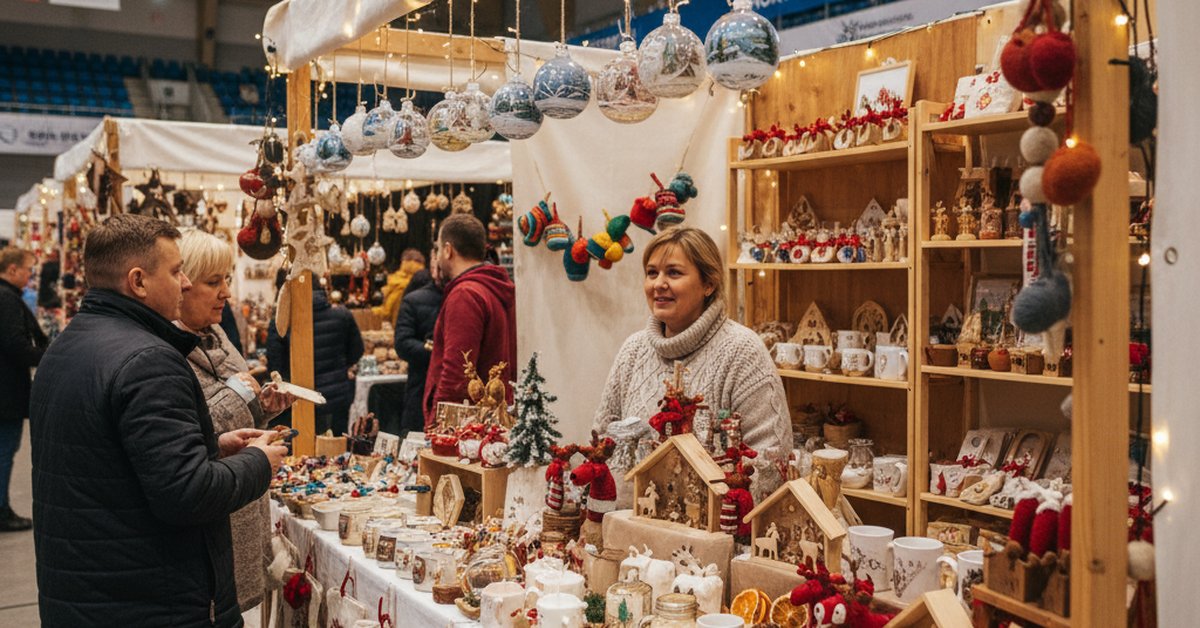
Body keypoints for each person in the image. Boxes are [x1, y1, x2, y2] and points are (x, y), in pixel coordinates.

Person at [29, 214, 288, 627]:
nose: (185, 283)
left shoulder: (67, 346)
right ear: (138, 281)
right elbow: (188, 494)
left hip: (89, 593)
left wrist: (211, 447)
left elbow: (110, 460)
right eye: (176, 271)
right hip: (152, 600)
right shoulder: (148, 360)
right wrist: (259, 461)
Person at [592, 226, 791, 507]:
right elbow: (603, 438)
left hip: (716, 531)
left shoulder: (742, 351)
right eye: (652, 273)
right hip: (632, 528)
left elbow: (772, 460)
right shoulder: (633, 350)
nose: (658, 284)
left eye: (673, 273)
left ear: (708, 284)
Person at [176, 230, 295, 614]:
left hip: (242, 502)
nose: (226, 292)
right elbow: (187, 431)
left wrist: (264, 407)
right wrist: (240, 395)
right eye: (214, 282)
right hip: (212, 514)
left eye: (226, 279)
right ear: (181, 284)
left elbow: (231, 410)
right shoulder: (164, 353)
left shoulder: (216, 336)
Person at [424, 214, 516, 427]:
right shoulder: (494, 288)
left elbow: (458, 371)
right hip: (490, 417)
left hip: (468, 424)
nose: (438, 257)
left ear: (448, 250)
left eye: (438, 250)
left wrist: (437, 427)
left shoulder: (465, 294)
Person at [267, 279, 365, 436]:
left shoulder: (282, 322)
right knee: (336, 447)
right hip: (335, 395)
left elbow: (274, 364)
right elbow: (357, 351)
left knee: (300, 452)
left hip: (298, 398)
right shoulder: (342, 315)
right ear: (321, 288)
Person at [0, 247, 47, 532]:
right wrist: (48, 357)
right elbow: (15, 345)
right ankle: (1, 511)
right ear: (13, 269)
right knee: (5, 450)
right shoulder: (6, 299)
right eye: (28, 270)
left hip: (6, 390)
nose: (30, 277)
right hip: (5, 393)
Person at [394, 262, 441, 434]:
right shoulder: (414, 301)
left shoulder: (461, 293)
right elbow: (402, 342)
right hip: (421, 385)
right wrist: (435, 350)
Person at [371, 248, 427, 325]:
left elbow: (387, 312)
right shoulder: (424, 281)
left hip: (399, 326)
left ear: (404, 263)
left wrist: (371, 312)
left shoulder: (398, 284)